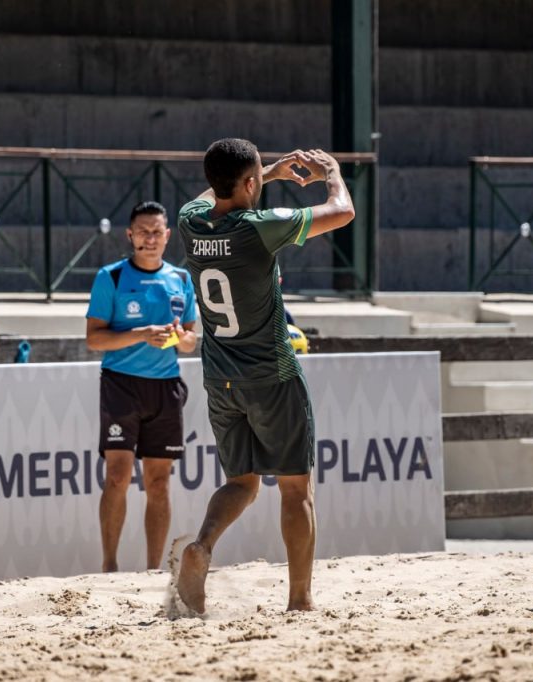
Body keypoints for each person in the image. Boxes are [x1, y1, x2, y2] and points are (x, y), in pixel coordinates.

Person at [175, 139, 354, 612]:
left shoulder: (190, 222)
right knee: (296, 489)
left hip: (219, 377)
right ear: (250, 184)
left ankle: (204, 545)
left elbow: (207, 194)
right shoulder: (258, 227)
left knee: (242, 482)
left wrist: (268, 173)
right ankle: (299, 600)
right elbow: (342, 211)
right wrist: (332, 170)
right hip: (271, 374)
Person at [86, 201, 197, 572]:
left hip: (165, 387)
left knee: (159, 482)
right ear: (130, 235)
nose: (150, 239)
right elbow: (94, 340)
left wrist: (177, 338)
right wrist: (141, 334)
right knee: (117, 475)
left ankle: (153, 569)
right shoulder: (111, 277)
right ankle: (109, 565)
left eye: (157, 232)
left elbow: (191, 341)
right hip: (121, 385)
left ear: (167, 236)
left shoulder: (181, 279)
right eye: (143, 232)